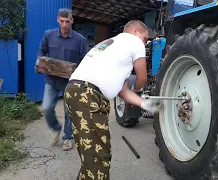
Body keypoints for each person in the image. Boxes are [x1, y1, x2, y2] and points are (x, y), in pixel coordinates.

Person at [64, 20, 161, 180]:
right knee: (97, 158)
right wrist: (138, 88)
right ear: (136, 31)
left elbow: (122, 92)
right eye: (145, 39)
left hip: (77, 92)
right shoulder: (134, 41)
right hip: (87, 95)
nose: (145, 43)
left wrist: (144, 104)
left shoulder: (112, 45)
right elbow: (142, 78)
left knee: (95, 154)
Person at [37, 8, 88, 151]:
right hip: (52, 79)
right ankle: (55, 128)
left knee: (69, 111)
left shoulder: (80, 40)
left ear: (72, 21)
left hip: (70, 82)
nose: (65, 25)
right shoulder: (49, 35)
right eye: (62, 21)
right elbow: (41, 50)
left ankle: (68, 138)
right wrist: (39, 61)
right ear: (58, 20)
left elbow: (85, 61)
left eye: (67, 21)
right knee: (47, 108)